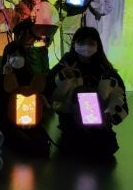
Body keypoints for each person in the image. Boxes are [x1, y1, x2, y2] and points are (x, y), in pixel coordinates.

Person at [45, 27, 127, 158]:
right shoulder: (66, 64)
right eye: (82, 42)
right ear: (74, 44)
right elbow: (50, 90)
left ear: (97, 46)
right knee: (77, 147)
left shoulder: (104, 68)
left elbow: (119, 94)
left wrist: (110, 115)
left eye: (91, 43)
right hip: (70, 117)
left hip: (98, 117)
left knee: (107, 145)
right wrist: (63, 77)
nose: (86, 46)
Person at [0, 42, 52, 157]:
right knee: (19, 141)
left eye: (20, 55)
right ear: (7, 58)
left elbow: (43, 92)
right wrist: (4, 76)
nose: (17, 58)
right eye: (13, 55)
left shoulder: (30, 76)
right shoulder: (0, 76)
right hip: (7, 120)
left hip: (29, 118)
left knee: (41, 141)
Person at [15, 0, 59, 75]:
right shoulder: (22, 4)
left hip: (43, 44)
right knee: (35, 73)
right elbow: (17, 26)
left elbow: (50, 21)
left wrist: (49, 37)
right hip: (29, 44)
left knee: (45, 70)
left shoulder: (47, 3)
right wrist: (30, 20)